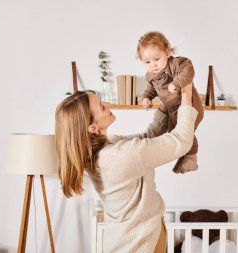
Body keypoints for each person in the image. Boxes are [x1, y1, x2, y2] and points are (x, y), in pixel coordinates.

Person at [55, 83, 197, 253]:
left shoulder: (104, 151)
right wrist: (187, 95)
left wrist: (165, 105)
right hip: (140, 242)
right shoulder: (121, 156)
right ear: (93, 127)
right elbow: (181, 141)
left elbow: (147, 137)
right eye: (101, 107)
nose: (107, 105)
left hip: (128, 239)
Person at [137, 31, 204, 174]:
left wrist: (177, 83)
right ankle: (184, 157)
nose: (153, 65)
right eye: (147, 62)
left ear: (167, 53)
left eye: (156, 59)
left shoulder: (176, 64)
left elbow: (188, 70)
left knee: (186, 132)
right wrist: (146, 98)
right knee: (175, 134)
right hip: (173, 109)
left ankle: (191, 158)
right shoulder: (150, 76)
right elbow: (151, 89)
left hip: (189, 106)